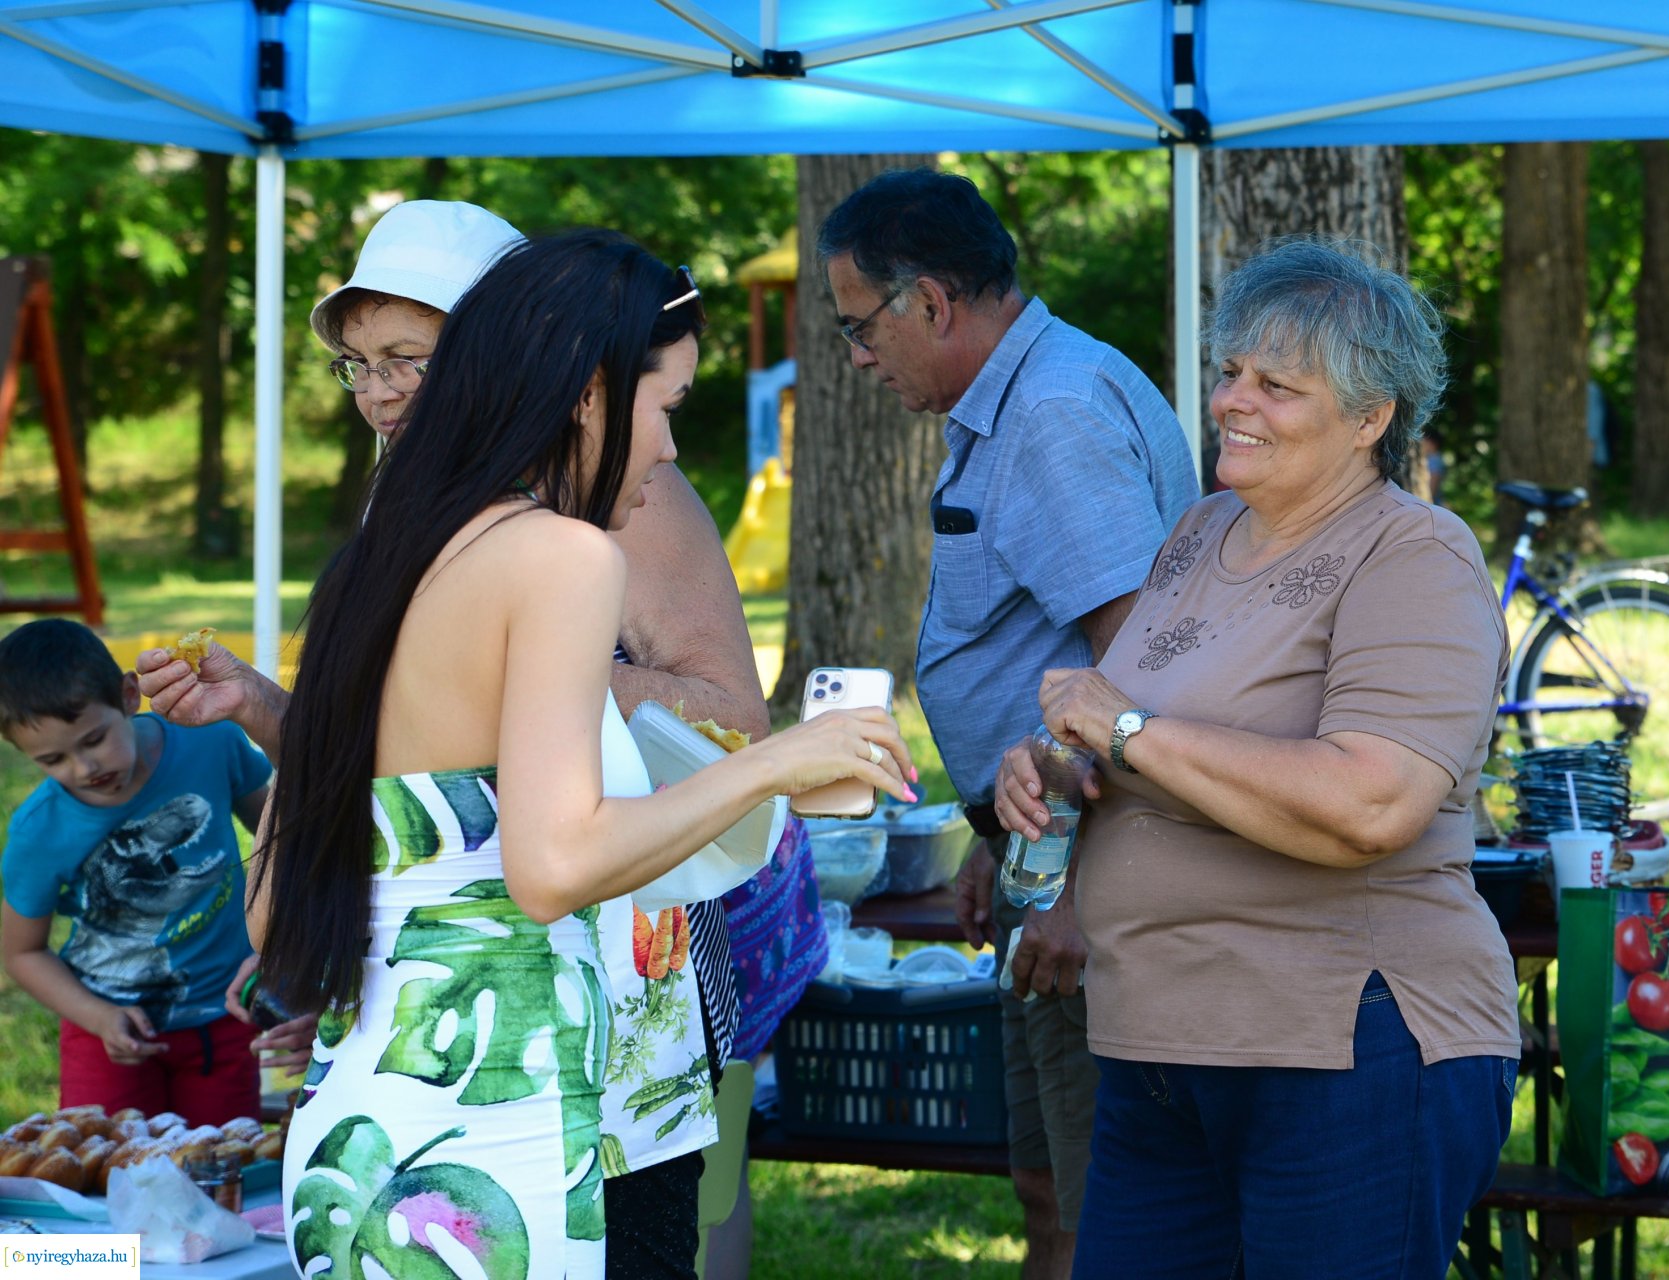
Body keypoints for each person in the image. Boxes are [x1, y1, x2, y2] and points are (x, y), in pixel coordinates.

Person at [136, 199, 801, 1279]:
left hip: (606, 1018)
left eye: (408, 355)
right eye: (358, 365)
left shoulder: (628, 490)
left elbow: (729, 714)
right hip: (495, 1062)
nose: (381, 389)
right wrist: (282, 707)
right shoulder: (426, 515)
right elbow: (433, 783)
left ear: (515, 354)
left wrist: (530, 657)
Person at [251, 229, 913, 1280]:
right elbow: (553, 864)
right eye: (669, 404)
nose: (670, 448)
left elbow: (274, 907)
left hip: (360, 1138)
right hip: (512, 1158)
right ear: (588, 391)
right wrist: (776, 761)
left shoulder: (375, 561)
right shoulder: (559, 556)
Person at [994, 237, 1518, 1279]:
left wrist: (1128, 729)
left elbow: (1372, 801)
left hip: (1347, 1048)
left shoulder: (1411, 552)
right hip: (1158, 1047)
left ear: (1371, 419)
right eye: (1232, 371)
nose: (1235, 399)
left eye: (1279, 385)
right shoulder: (1199, 531)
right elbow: (1146, 730)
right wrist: (1060, 768)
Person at [818, 168, 1197, 1278]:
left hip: (1108, 871)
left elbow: (1137, 680)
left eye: (860, 328)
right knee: (1044, 1183)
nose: (856, 358)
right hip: (1051, 846)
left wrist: (1076, 888)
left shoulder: (1053, 415)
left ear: (930, 302)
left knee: (1097, 1208)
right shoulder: (1021, 397)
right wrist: (1003, 833)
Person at [0, 618, 272, 1125]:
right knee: (111, 1181)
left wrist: (284, 938)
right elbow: (20, 952)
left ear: (129, 695)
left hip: (228, 1017)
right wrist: (98, 1017)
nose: (84, 768)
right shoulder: (41, 830)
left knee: (221, 1171)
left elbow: (280, 835)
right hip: (106, 1034)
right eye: (53, 759)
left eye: (95, 739)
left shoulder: (208, 742)